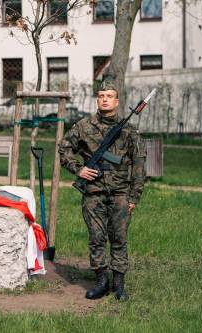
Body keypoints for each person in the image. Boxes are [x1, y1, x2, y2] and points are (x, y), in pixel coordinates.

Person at [58, 80, 146, 300]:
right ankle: (101, 281)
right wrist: (78, 169)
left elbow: (139, 165)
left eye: (109, 96)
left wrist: (134, 196)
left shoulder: (129, 130)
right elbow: (64, 148)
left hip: (120, 193)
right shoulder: (84, 126)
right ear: (97, 99)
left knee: (119, 238)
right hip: (93, 192)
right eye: (101, 95)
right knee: (96, 238)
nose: (105, 99)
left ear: (117, 101)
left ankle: (119, 284)